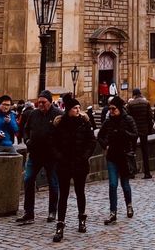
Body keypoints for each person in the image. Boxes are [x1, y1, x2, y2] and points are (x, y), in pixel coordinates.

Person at [51, 93, 96, 242]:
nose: (78, 110)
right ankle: (60, 224)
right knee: (63, 195)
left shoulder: (84, 123)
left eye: (79, 108)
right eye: (75, 108)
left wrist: (84, 156)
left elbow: (91, 142)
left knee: (80, 192)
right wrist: (59, 157)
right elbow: (53, 143)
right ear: (68, 109)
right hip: (64, 164)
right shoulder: (59, 123)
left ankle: (82, 219)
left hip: (79, 163)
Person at [17, 90, 62, 225]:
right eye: (39, 102)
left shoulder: (58, 114)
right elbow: (25, 129)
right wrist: (27, 140)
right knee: (28, 180)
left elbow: (64, 133)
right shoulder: (33, 114)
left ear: (50, 102)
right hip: (35, 154)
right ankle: (28, 212)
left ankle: (52, 211)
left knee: (53, 183)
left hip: (51, 156)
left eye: (44, 102)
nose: (41, 104)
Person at [97, 95, 137, 225]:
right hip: (112, 156)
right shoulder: (108, 121)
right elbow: (100, 135)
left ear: (119, 108)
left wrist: (124, 133)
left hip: (124, 156)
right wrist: (105, 145)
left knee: (125, 184)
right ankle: (112, 212)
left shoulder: (128, 119)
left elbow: (135, 135)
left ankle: (129, 205)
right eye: (110, 109)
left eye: (113, 109)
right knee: (112, 185)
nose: (111, 111)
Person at [126, 88, 153, 178]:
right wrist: (150, 130)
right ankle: (147, 173)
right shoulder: (146, 103)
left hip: (134, 130)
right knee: (145, 152)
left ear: (134, 95)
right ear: (140, 94)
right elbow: (150, 117)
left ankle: (132, 172)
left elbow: (128, 117)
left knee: (131, 151)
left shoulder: (131, 104)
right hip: (144, 130)